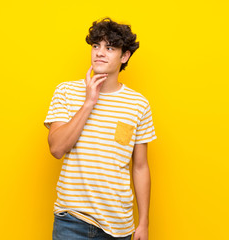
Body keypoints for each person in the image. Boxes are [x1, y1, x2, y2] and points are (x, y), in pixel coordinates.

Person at [44, 17, 157, 240]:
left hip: (119, 226)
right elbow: (56, 148)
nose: (100, 52)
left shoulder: (138, 104)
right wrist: (89, 103)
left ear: (125, 56)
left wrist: (143, 223)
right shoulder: (66, 92)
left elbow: (141, 167)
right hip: (72, 221)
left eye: (110, 47)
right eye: (96, 46)